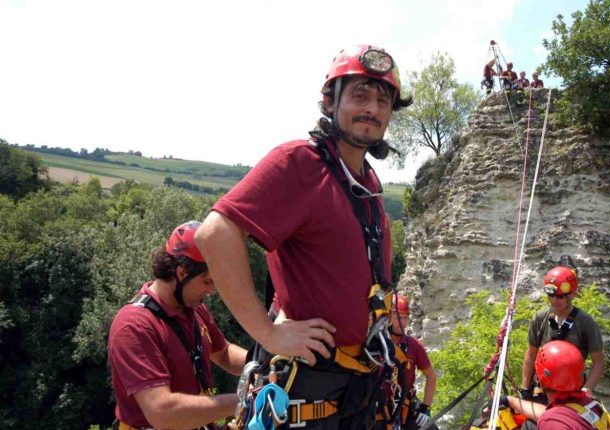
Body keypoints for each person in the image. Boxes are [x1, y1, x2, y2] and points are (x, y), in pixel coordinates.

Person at [195, 44, 413, 429]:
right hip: (305, 390)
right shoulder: (299, 163)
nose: (373, 109)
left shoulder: (366, 182)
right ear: (331, 102)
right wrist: (266, 332)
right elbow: (215, 233)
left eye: (383, 99)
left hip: (356, 387)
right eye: (359, 94)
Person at [108, 221, 248, 430]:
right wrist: (240, 402)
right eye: (207, 282)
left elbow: (224, 353)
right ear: (181, 273)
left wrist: (264, 365)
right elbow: (162, 412)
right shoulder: (135, 326)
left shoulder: (192, 308)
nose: (212, 291)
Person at [520, 266, 604, 403]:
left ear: (572, 294)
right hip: (542, 388)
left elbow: (598, 362)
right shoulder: (540, 318)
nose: (554, 300)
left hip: (571, 391)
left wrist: (587, 389)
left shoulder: (585, 322)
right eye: (551, 295)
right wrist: (524, 388)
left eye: (560, 296)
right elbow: (531, 354)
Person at [504, 341, 610, 429]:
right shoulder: (590, 403)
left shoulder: (552, 423)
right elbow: (552, 415)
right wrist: (511, 401)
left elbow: (552, 419)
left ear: (540, 380)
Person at [389, 295, 438, 430]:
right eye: (398, 317)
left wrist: (425, 408)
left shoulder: (413, 346)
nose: (402, 322)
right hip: (380, 408)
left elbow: (431, 376)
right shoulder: (376, 344)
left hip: (406, 406)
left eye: (405, 317)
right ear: (387, 316)